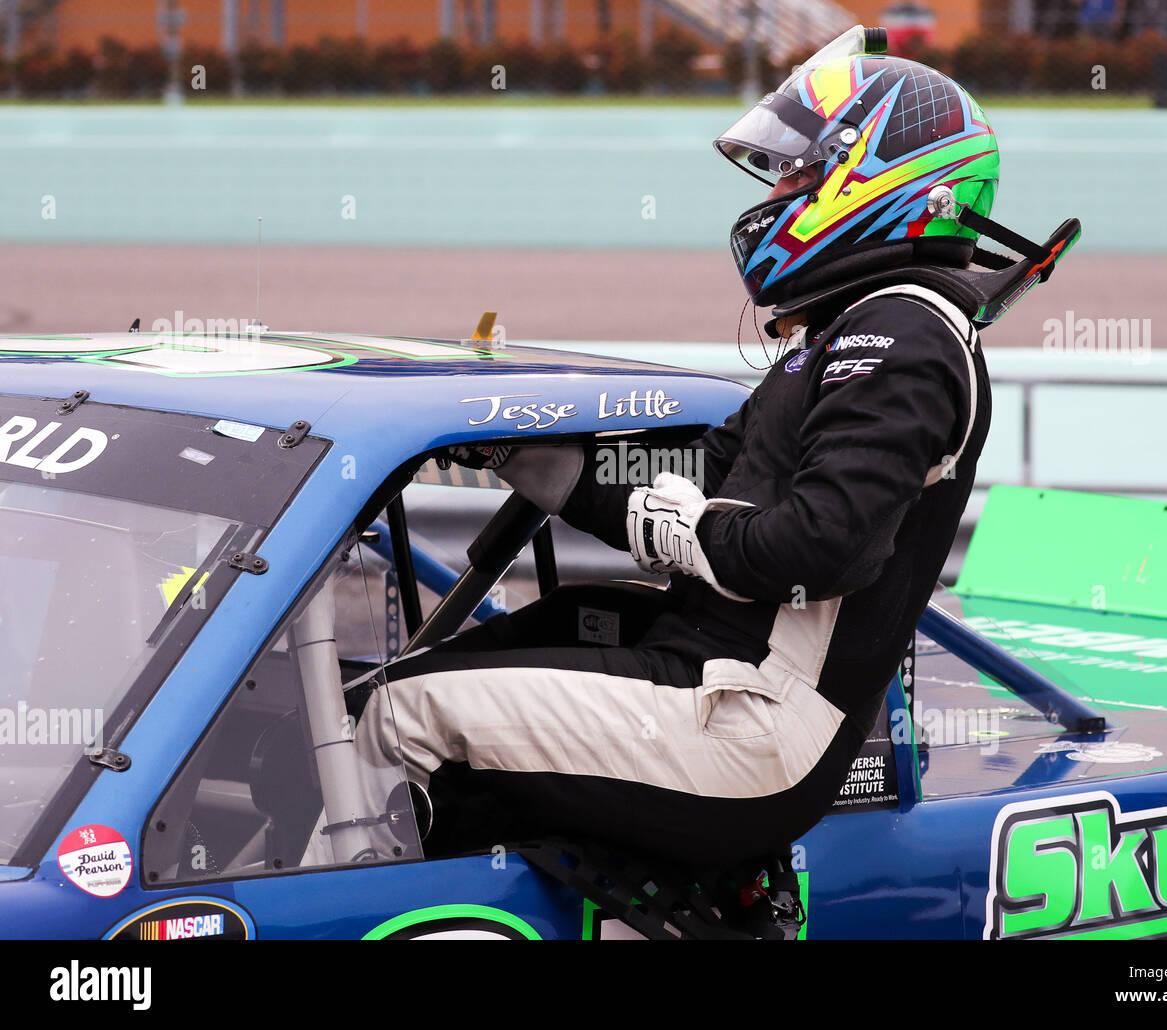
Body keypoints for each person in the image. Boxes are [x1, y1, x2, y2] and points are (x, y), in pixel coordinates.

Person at [341, 26, 1075, 872]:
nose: (782, 190)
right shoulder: (853, 328)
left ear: (884, 180)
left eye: (803, 171)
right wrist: (519, 446)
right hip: (719, 679)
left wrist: (689, 528)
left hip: (758, 726)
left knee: (397, 714)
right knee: (471, 655)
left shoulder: (904, 333)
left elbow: (820, 545)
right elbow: (691, 477)